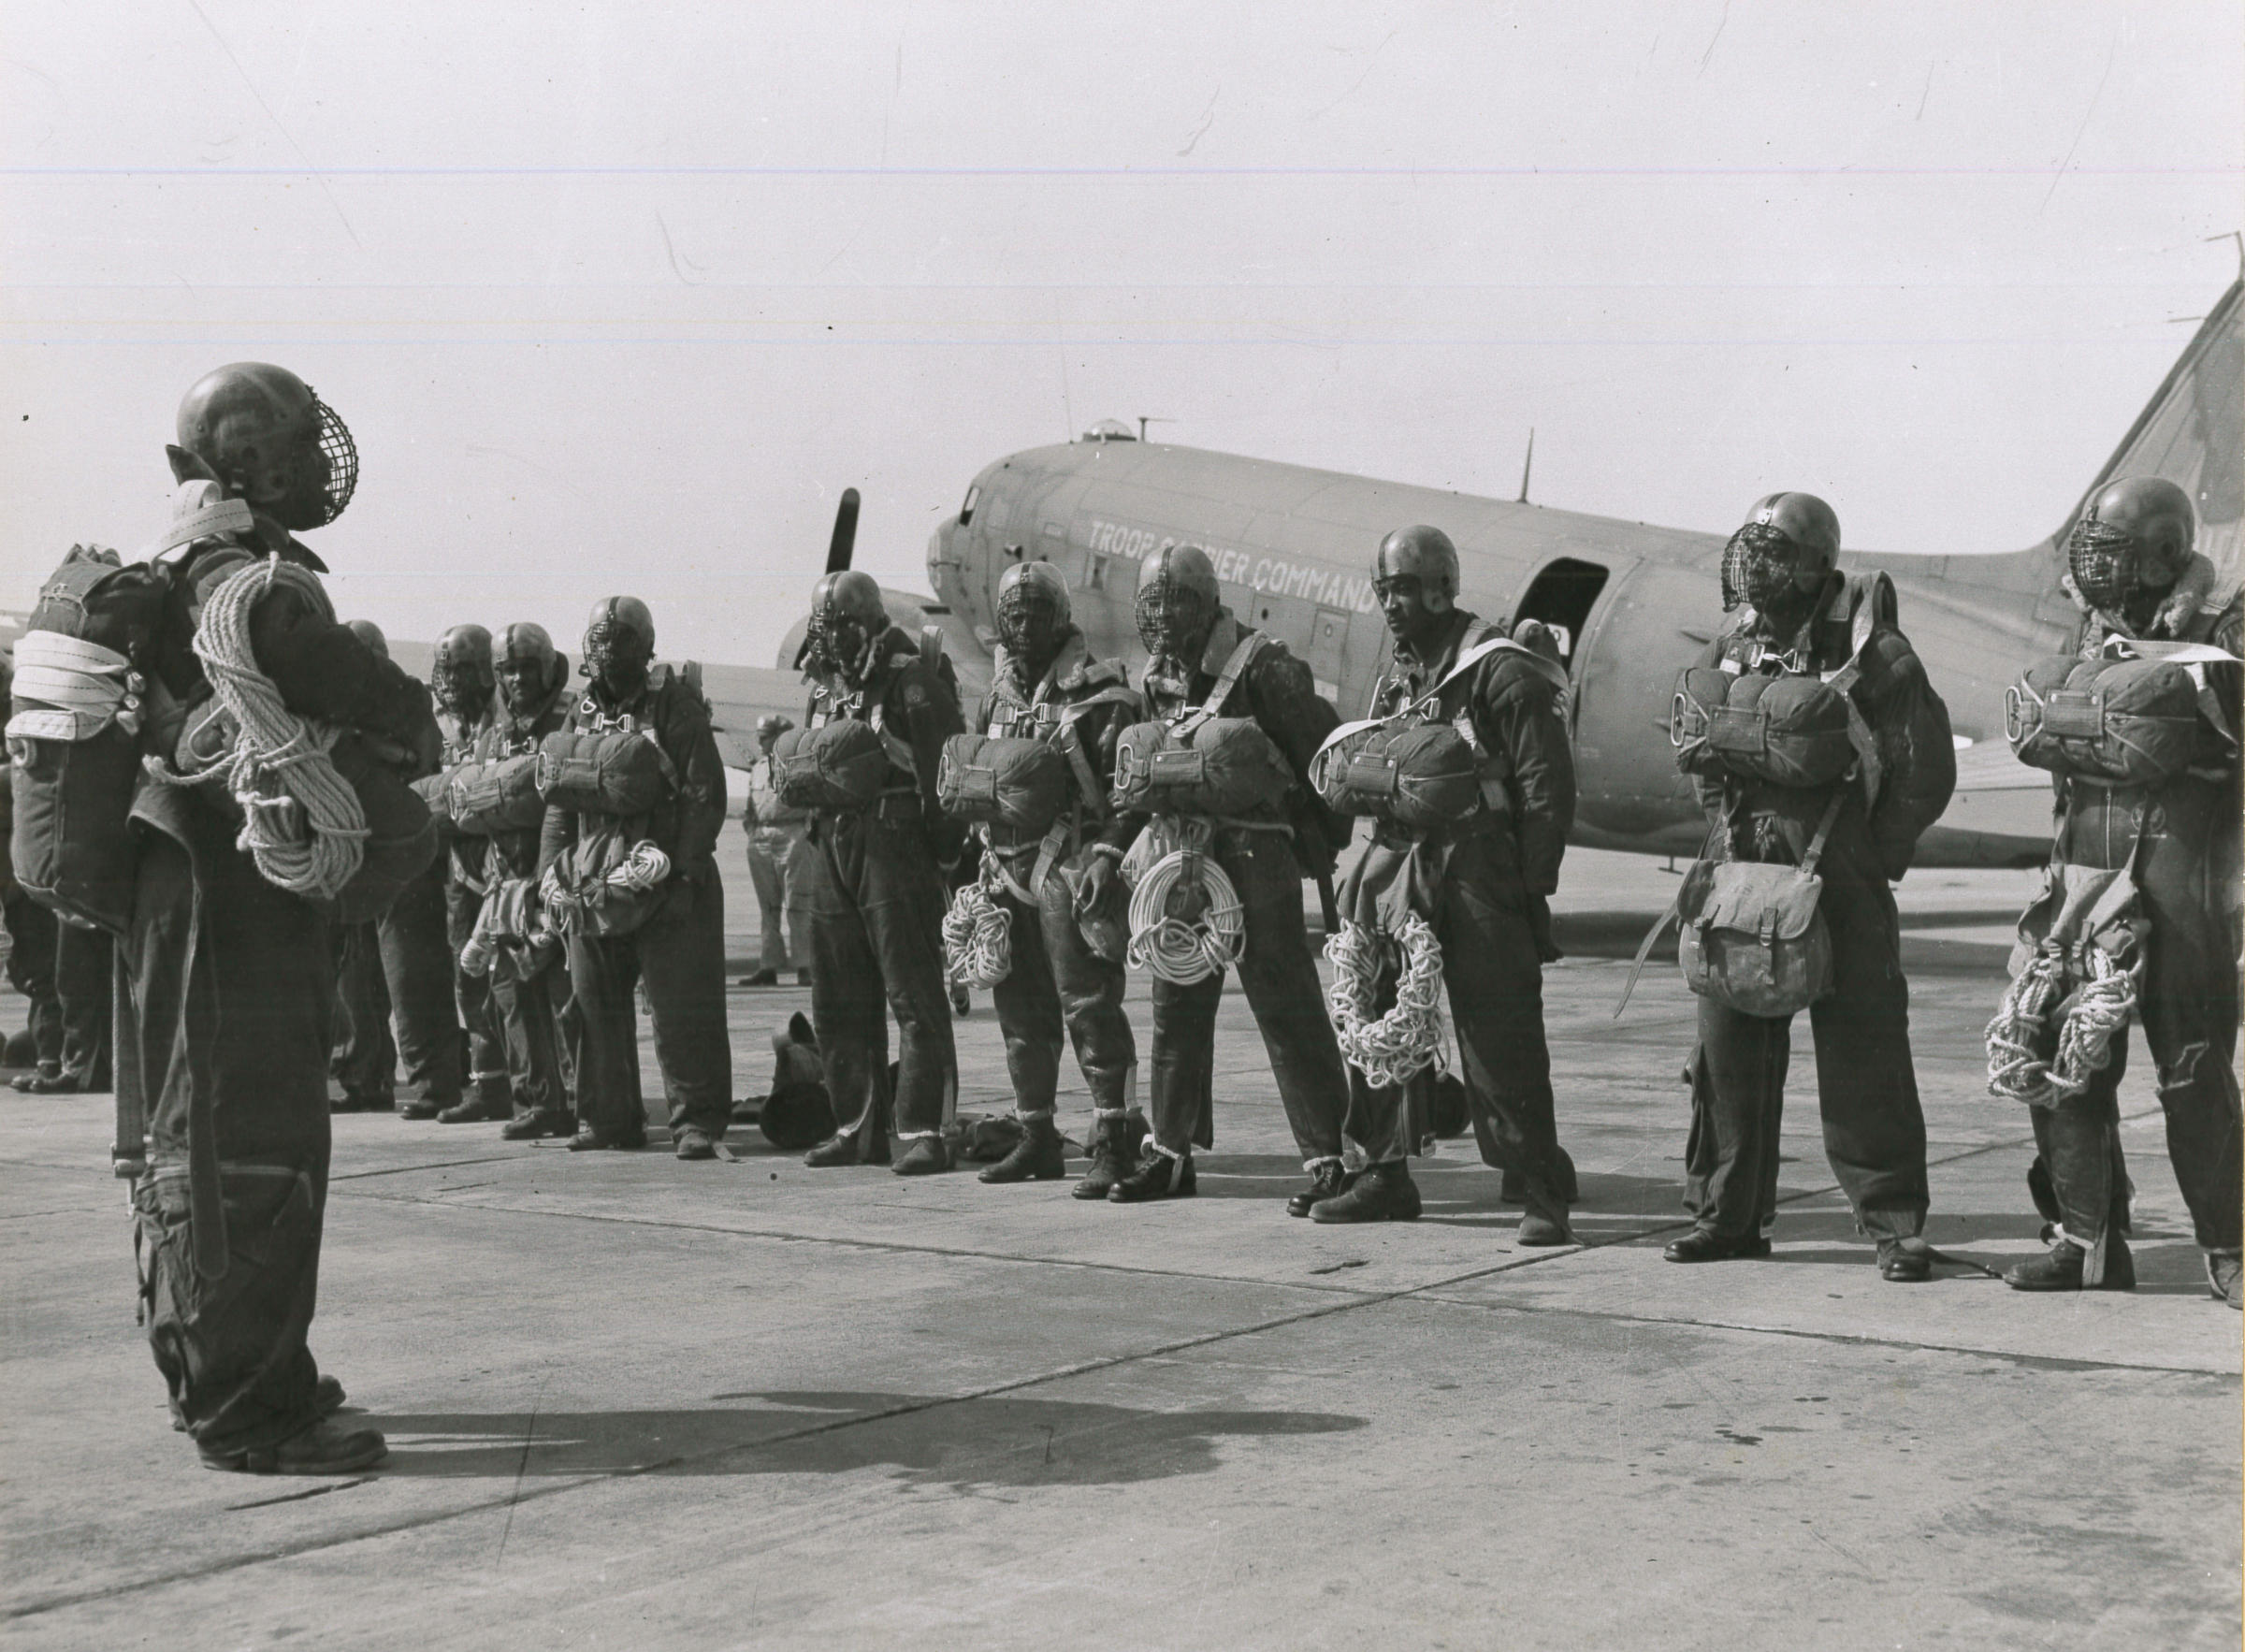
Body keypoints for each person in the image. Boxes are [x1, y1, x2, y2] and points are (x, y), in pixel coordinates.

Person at [127, 361, 435, 1472]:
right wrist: (407, 712)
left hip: (198, 894)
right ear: (249, 461)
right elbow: (318, 667)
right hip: (231, 906)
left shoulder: (189, 565)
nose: (320, 466)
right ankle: (250, 1409)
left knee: (207, 1130)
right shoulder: (240, 578)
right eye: (300, 447)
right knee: (247, 1140)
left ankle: (242, 1366)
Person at [1666, 492, 1955, 1280]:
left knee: (1864, 1050)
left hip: (1841, 872)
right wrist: (1728, 830)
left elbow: (1924, 772)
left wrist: (1866, 855)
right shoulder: (1733, 643)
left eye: (1773, 553)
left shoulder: (1877, 653)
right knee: (1726, 1050)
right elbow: (1699, 745)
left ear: (1816, 565)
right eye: (1750, 550)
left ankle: (1895, 1224)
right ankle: (1726, 1218)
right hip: (1742, 862)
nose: (1754, 568)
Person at [1998, 477, 2242, 1303]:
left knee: (2194, 1070)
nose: (2093, 566)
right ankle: (2086, 1241)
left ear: (2164, 556)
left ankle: (2231, 1246)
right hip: (2084, 881)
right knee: (2065, 1058)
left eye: (2114, 552)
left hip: (2185, 883)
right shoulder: (2089, 636)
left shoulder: (2224, 636)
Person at [1312, 526, 1577, 1240]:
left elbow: (1546, 788)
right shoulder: (1401, 674)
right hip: (1403, 872)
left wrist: (1527, 890)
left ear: (1438, 587)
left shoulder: (1501, 670)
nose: (1390, 605)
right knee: (1376, 1020)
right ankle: (1381, 1173)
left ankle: (1540, 1189)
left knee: (1499, 1036)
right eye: (1383, 591)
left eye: (1401, 589)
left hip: (1481, 872)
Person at [1087, 543, 1354, 1208]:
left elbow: (1323, 758)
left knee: (1285, 1005)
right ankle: (1171, 1154)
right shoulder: (1157, 678)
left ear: (1208, 604)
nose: (1163, 615)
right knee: (1174, 1004)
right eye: (1152, 602)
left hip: (1256, 859)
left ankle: (1330, 1156)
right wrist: (1105, 851)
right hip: (1179, 861)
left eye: (1177, 600)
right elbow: (1141, 777)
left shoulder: (1267, 668)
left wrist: (1315, 843)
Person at [959, 560, 1144, 1189]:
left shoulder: (1103, 697)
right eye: (1013, 613)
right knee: (1021, 1014)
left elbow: (1128, 791)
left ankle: (1115, 1142)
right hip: (1004, 871)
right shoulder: (995, 697)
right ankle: (1035, 1135)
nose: (1024, 624)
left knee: (1090, 1009)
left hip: (1072, 868)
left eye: (1038, 612)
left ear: (1062, 619)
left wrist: (1108, 856)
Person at [538, 598, 732, 1158]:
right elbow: (558, 801)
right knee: (593, 1003)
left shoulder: (676, 709)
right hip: (593, 881)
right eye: (598, 641)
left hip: (666, 880)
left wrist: (679, 868)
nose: (607, 653)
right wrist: (550, 876)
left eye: (619, 641)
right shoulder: (579, 714)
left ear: (646, 648)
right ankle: (607, 1119)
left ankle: (697, 1121)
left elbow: (703, 794)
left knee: (681, 1009)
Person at [796, 570, 965, 1174]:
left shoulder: (912, 679)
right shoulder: (823, 687)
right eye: (824, 626)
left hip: (894, 848)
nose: (831, 636)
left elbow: (945, 778)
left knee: (913, 995)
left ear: (869, 621)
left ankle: (927, 1130)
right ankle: (856, 1127)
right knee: (837, 997)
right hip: (830, 846)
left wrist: (943, 862)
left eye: (841, 624)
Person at [479, 622, 578, 1140]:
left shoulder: (570, 722)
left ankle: (581, 1100)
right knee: (511, 994)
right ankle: (537, 1101)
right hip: (506, 884)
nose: (517, 678)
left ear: (547, 668)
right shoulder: (494, 732)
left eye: (526, 668)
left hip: (556, 880)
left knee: (564, 995)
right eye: (507, 670)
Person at [427, 623, 510, 1124]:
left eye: (461, 670)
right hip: (463, 871)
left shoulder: (514, 717)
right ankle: (490, 1085)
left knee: (523, 986)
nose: (452, 682)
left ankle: (551, 1085)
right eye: (445, 672)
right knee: (468, 978)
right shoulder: (441, 723)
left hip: (509, 870)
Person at [326, 618, 398, 1113]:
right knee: (357, 977)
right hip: (356, 858)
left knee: (367, 977)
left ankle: (367, 1076)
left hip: (378, 859)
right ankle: (364, 1072)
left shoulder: (384, 713)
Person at [740, 712, 813, 988]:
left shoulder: (796, 766)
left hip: (792, 834)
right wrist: (753, 832)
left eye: (765, 737)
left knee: (798, 904)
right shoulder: (757, 767)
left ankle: (805, 966)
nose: (760, 742)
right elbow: (751, 806)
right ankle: (768, 966)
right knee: (767, 906)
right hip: (762, 837)